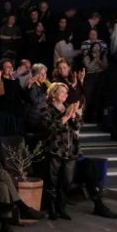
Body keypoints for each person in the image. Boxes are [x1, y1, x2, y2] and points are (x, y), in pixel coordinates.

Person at [41, 83, 82, 221]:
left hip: (70, 150)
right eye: (62, 92)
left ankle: (61, 208)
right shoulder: (47, 110)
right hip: (55, 149)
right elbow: (49, 128)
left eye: (66, 92)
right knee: (52, 182)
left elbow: (77, 126)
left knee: (67, 182)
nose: (65, 95)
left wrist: (75, 115)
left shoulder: (68, 107)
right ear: (53, 94)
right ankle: (51, 209)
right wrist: (65, 116)